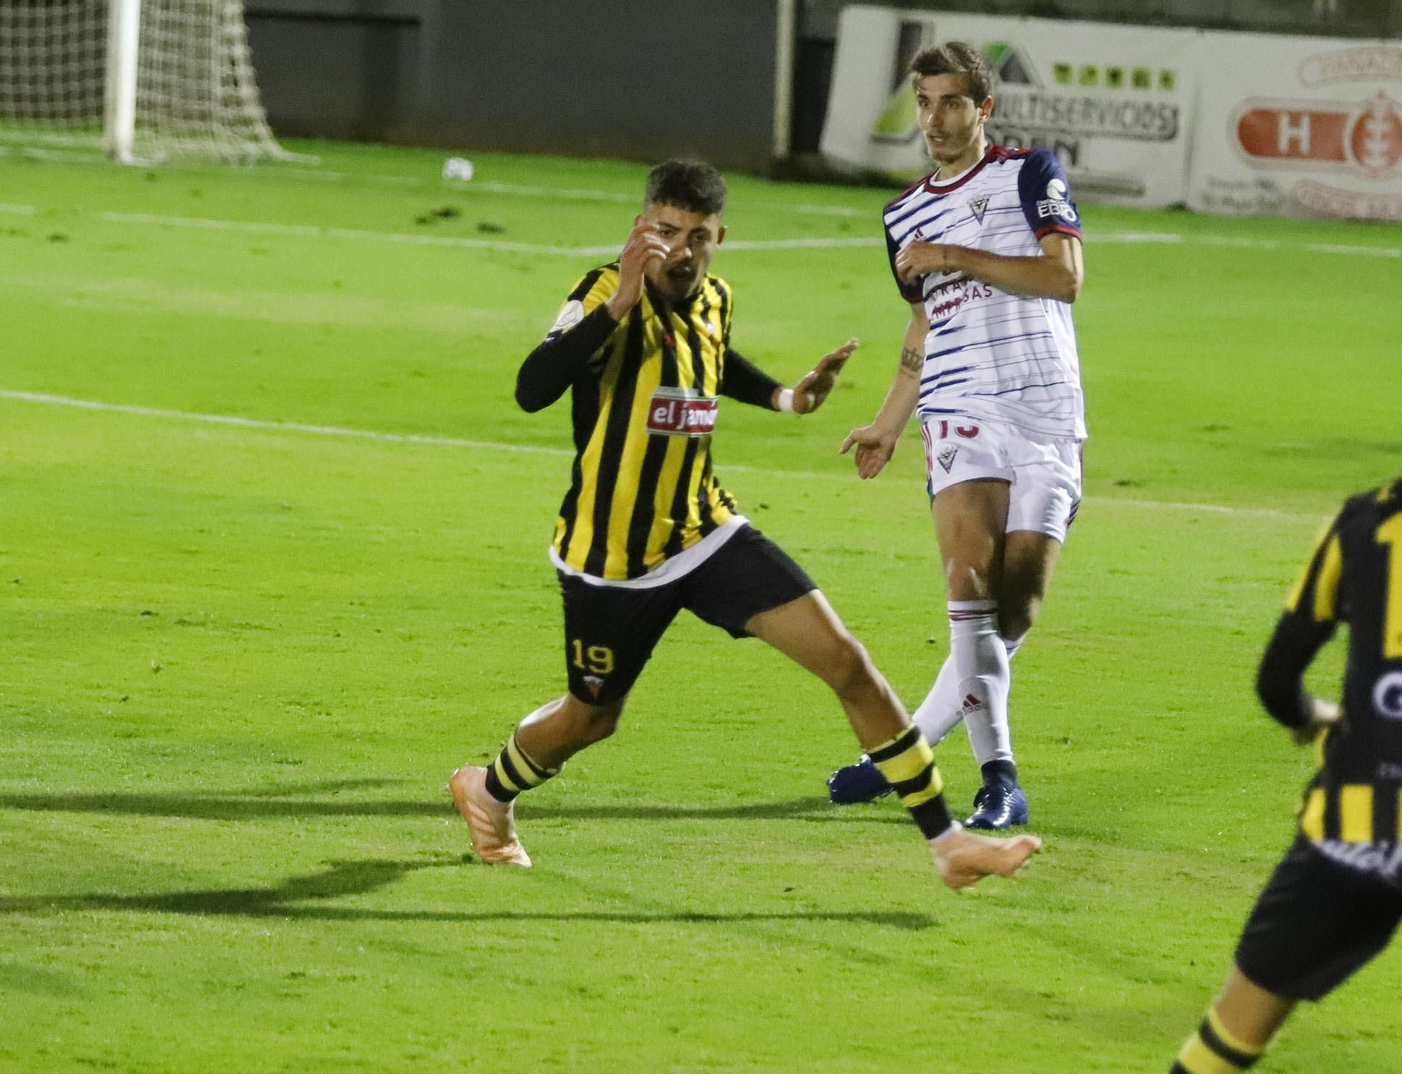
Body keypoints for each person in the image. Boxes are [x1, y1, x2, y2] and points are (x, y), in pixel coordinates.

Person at [448, 159, 1041, 889]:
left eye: (698, 236)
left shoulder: (716, 298)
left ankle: (947, 843)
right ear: (642, 231)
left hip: (706, 532)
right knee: (590, 719)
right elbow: (531, 389)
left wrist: (791, 398)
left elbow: (713, 362)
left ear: (719, 238)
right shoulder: (605, 292)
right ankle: (490, 790)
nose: (683, 249)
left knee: (847, 662)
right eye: (667, 232)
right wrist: (619, 302)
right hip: (612, 558)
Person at [828, 42, 1086, 830]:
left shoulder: (1029, 175)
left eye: (950, 103)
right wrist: (888, 420)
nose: (934, 119)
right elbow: (923, 321)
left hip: (1046, 411)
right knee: (968, 587)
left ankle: (908, 746)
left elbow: (1064, 276)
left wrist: (953, 254)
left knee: (1016, 608)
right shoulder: (900, 215)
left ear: (983, 109)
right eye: (924, 103)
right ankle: (998, 780)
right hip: (958, 404)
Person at [1168, 478, 1402, 1073]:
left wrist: (1314, 714)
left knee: (1228, 1038)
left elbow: (1277, 682)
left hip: (1353, 838)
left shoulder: (1365, 523)